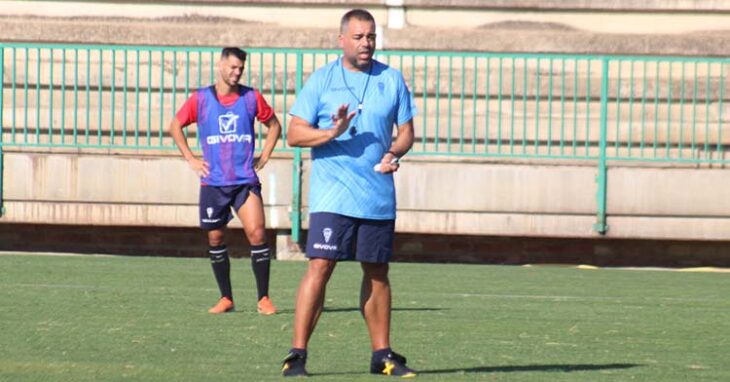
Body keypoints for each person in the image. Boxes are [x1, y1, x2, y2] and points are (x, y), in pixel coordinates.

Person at [281, 9, 416, 378]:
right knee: (320, 267)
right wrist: (332, 132)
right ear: (341, 40)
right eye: (358, 37)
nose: (366, 43)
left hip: (377, 197)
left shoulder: (391, 79)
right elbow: (294, 134)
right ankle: (296, 356)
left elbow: (406, 131)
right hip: (332, 196)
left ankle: (382, 355)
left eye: (371, 36)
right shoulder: (322, 80)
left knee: (377, 272)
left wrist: (393, 153)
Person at [169, 47, 281, 316]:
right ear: (220, 65)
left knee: (257, 233)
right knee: (216, 238)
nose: (236, 72)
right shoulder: (201, 99)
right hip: (214, 183)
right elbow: (175, 125)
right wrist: (191, 159)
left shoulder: (251, 97)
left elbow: (275, 125)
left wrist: (265, 154)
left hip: (244, 180)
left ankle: (263, 298)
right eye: (232, 67)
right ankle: (226, 297)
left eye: (240, 68)